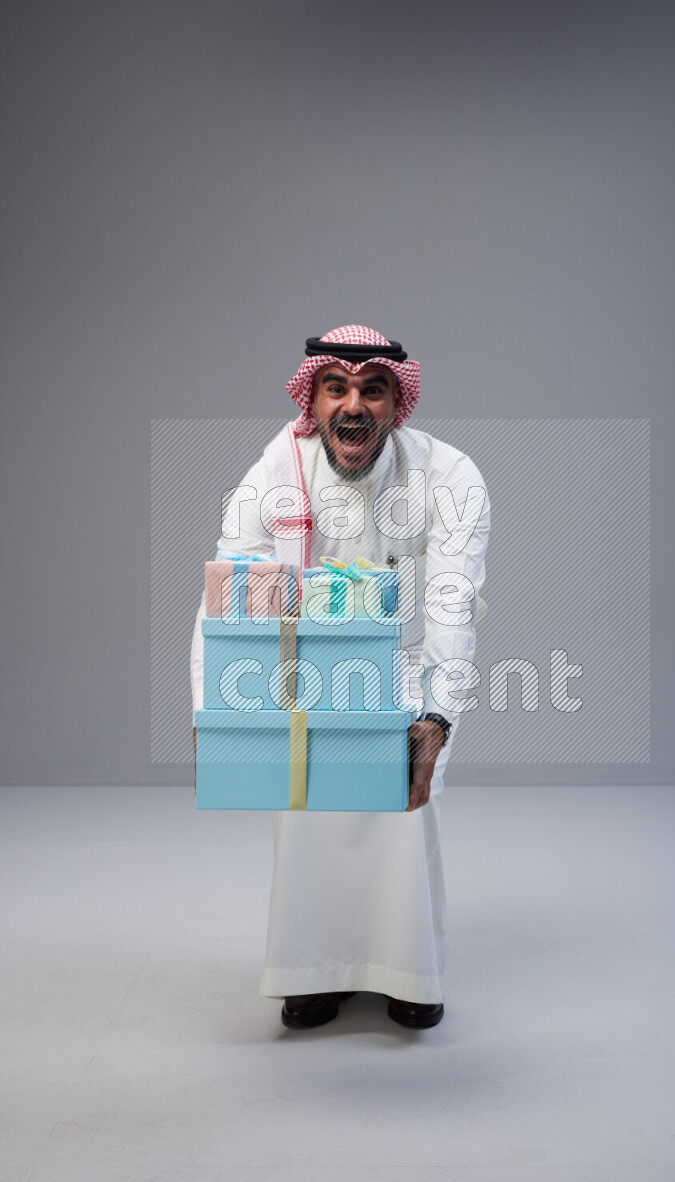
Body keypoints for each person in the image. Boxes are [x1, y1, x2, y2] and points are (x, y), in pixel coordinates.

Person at [191, 325, 491, 1029]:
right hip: (297, 659)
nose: (354, 406)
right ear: (314, 399)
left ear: (395, 402)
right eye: (337, 389)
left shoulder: (450, 476)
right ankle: (312, 973)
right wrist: (213, 709)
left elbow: (452, 602)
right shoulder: (273, 474)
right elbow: (227, 593)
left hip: (407, 665)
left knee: (403, 810)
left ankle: (410, 974)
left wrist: (438, 718)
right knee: (305, 812)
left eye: (372, 390)